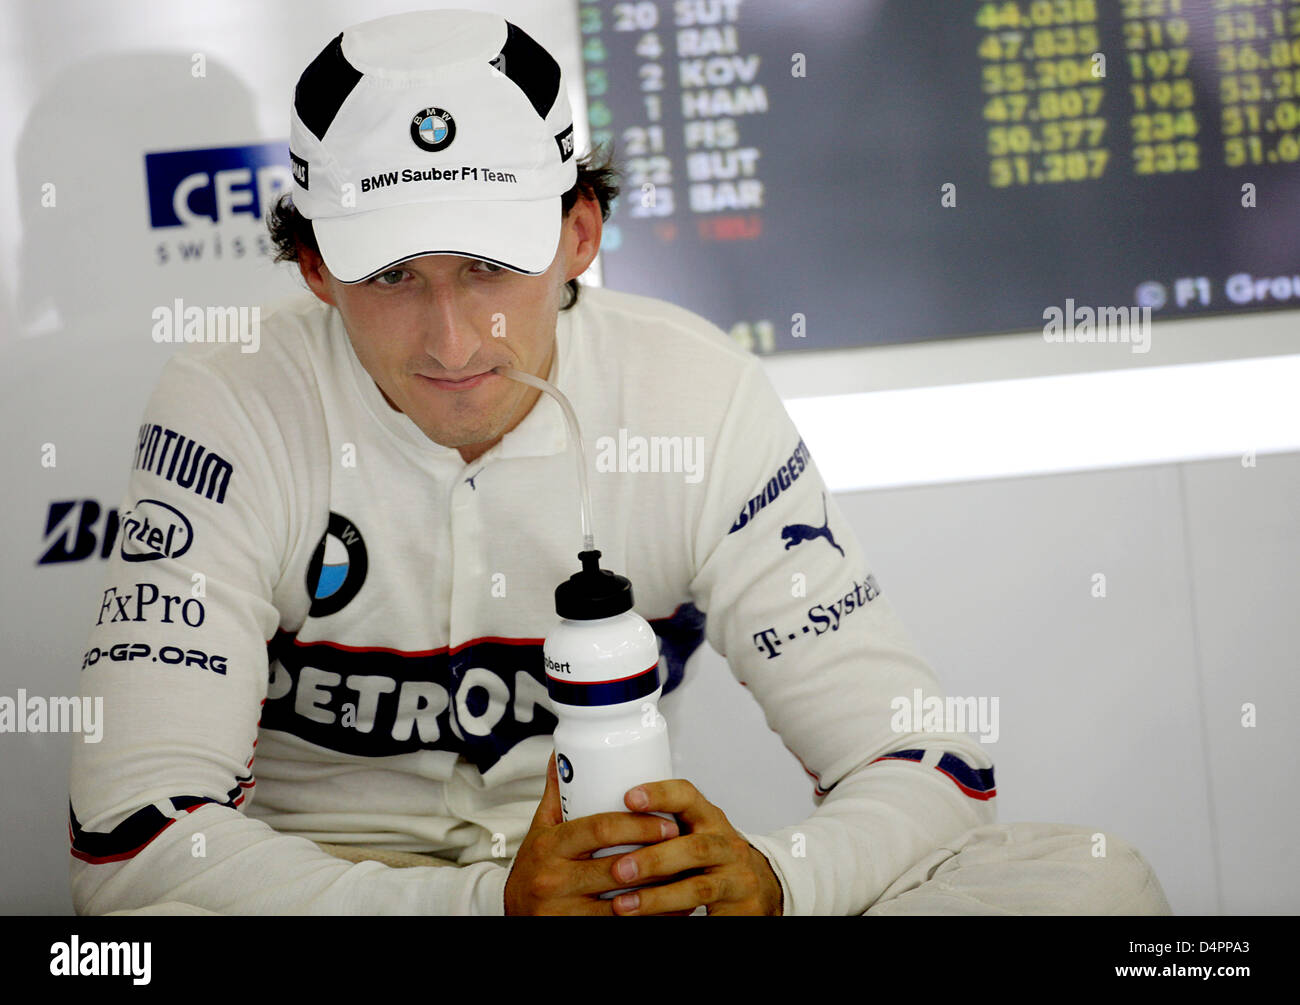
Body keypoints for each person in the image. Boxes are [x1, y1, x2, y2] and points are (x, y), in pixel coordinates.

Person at [69, 8, 1171, 916]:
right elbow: (133, 841)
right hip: (346, 902)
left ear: (579, 236)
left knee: (1089, 885)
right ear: (313, 266)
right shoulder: (230, 404)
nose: (453, 341)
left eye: (493, 266)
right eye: (394, 274)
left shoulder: (694, 393)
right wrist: (487, 909)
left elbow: (926, 765)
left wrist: (781, 879)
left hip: (624, 903)